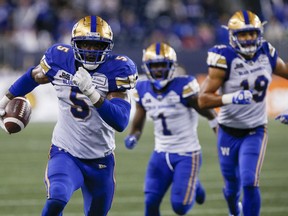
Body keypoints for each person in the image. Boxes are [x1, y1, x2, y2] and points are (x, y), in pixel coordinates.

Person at [0, 15, 138, 215]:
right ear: (74, 44)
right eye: (85, 44)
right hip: (65, 152)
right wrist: (5, 100)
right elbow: (34, 76)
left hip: (101, 159)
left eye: (96, 46)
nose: (90, 51)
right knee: (57, 198)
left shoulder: (117, 69)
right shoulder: (60, 59)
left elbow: (120, 121)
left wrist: (92, 92)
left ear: (107, 47)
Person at [198, 10, 288, 216]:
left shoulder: (267, 52)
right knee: (231, 188)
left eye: (252, 33)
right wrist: (231, 98)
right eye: (243, 34)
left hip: (255, 131)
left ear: (259, 33)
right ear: (232, 36)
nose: (248, 39)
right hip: (228, 132)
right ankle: (234, 211)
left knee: (250, 181)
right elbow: (203, 100)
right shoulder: (224, 58)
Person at [124, 42, 217, 216]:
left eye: (162, 65)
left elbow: (207, 112)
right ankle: (191, 182)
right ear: (147, 67)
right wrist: (133, 136)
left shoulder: (184, 85)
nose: (159, 70)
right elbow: (138, 120)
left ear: (172, 66)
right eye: (155, 66)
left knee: (179, 207)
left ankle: (194, 184)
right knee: (150, 202)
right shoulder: (142, 88)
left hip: (187, 154)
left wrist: (217, 129)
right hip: (160, 153)